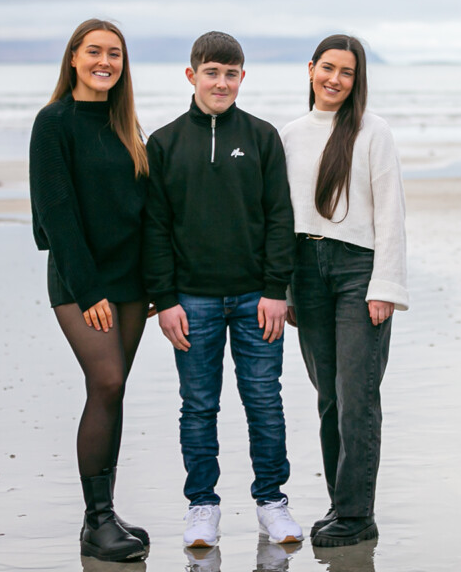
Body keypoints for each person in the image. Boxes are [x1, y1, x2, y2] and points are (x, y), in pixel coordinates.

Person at [144, 31, 302, 548]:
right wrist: (165, 299)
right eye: (212, 72)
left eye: (231, 73)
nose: (221, 82)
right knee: (198, 405)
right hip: (191, 300)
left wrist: (276, 289)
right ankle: (202, 507)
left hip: (257, 298)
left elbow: (280, 217)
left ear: (242, 78)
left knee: (264, 400)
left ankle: (272, 502)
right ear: (191, 76)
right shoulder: (164, 143)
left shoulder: (260, 137)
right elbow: (156, 227)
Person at [29, 19, 150, 562]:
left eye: (115, 54)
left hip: (130, 281)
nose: (105, 62)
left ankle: (101, 516)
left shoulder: (126, 124)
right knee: (106, 380)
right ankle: (98, 520)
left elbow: (140, 209)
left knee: (114, 390)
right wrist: (89, 289)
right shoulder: (53, 122)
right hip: (84, 283)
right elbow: (56, 213)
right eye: (95, 52)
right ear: (74, 58)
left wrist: (152, 282)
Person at [281, 35, 409, 547]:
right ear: (311, 69)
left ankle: (357, 515)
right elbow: (282, 217)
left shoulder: (373, 132)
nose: (335, 79)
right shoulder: (289, 134)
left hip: (360, 270)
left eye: (347, 72)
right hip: (305, 271)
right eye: (327, 68)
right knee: (328, 397)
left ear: (358, 80)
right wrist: (285, 287)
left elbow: (391, 213)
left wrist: (386, 287)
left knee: (357, 396)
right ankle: (341, 504)